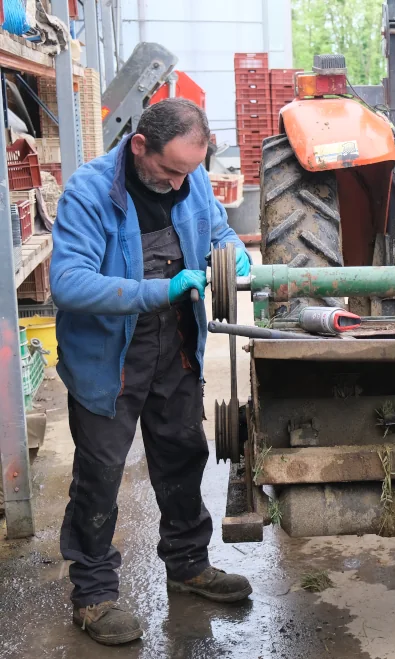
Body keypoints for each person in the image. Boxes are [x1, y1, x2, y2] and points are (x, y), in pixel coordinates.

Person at [50, 98, 254, 646]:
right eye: (169, 171)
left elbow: (219, 233)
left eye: (190, 171)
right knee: (102, 473)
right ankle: (93, 596)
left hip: (177, 347)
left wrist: (233, 252)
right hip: (107, 357)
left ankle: (188, 566)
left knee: (182, 454)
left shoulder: (192, 179)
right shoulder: (90, 192)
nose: (178, 183)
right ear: (140, 147)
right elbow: (66, 282)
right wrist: (157, 290)